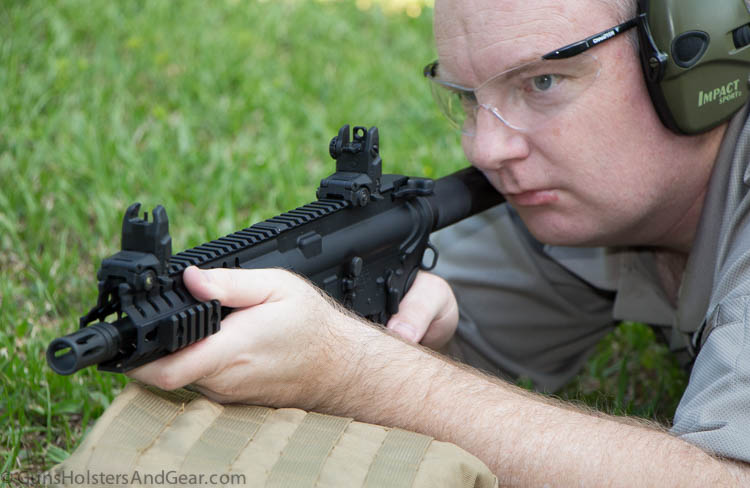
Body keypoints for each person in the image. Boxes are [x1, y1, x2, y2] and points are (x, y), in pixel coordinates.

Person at [130, 0, 750, 485]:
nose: (485, 151)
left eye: (542, 83)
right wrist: (407, 334)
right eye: (466, 99)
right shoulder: (586, 211)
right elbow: (435, 341)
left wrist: (354, 371)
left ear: (696, 57)